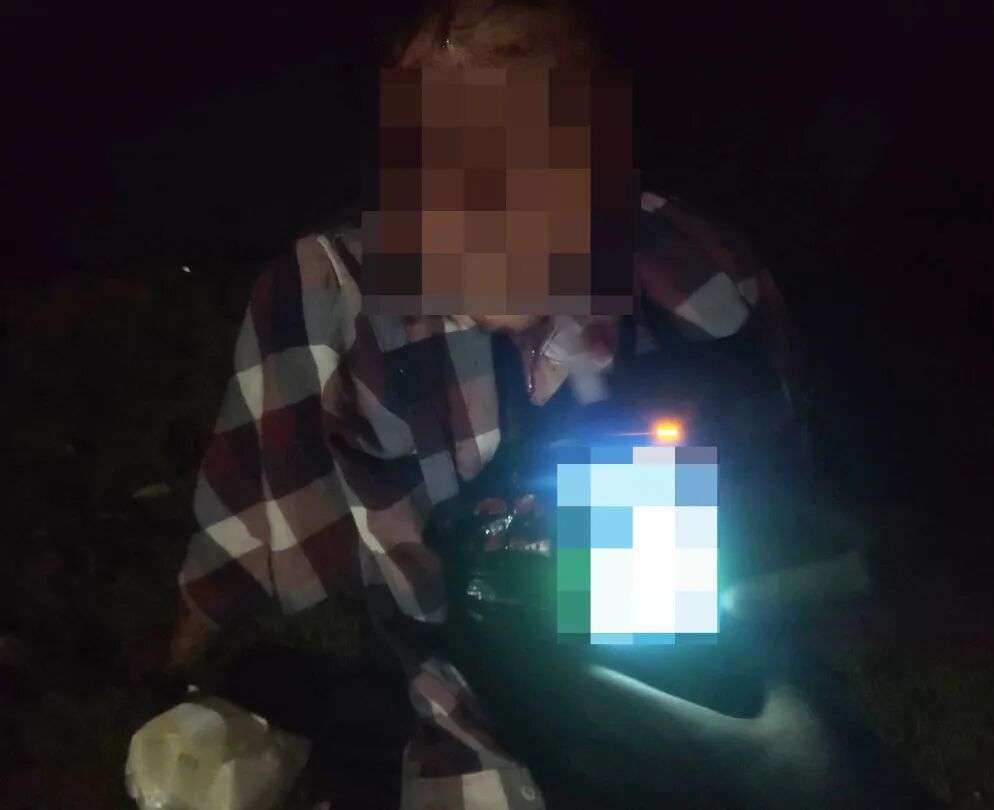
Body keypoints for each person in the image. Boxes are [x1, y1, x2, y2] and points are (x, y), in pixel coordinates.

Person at [164, 2, 907, 807]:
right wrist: (195, 630)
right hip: (455, 689)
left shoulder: (701, 285)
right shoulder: (333, 303)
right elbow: (253, 501)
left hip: (672, 683)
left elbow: (784, 485)